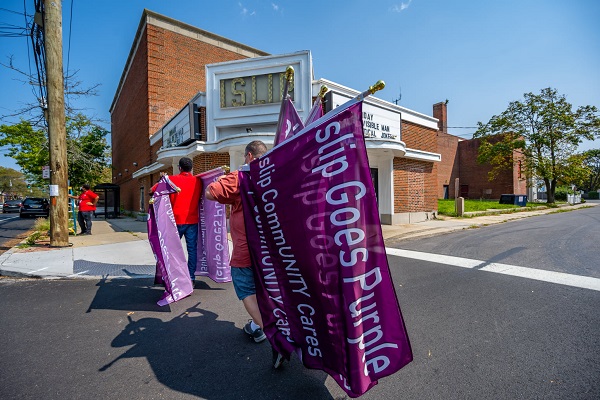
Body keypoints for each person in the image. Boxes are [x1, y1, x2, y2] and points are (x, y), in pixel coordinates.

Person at [205, 140, 284, 368]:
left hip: (245, 252)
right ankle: (258, 326)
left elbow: (211, 193)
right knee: (267, 292)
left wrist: (222, 179)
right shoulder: (272, 178)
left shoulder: (240, 177)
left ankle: (276, 338)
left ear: (249, 156)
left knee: (246, 290)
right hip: (270, 251)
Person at [151, 157, 202, 282]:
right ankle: (191, 278)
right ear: (191, 168)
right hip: (192, 221)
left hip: (175, 221)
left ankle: (169, 277)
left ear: (179, 167)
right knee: (192, 250)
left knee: (170, 250)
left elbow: (152, 190)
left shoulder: (171, 180)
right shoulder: (198, 181)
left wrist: (163, 179)